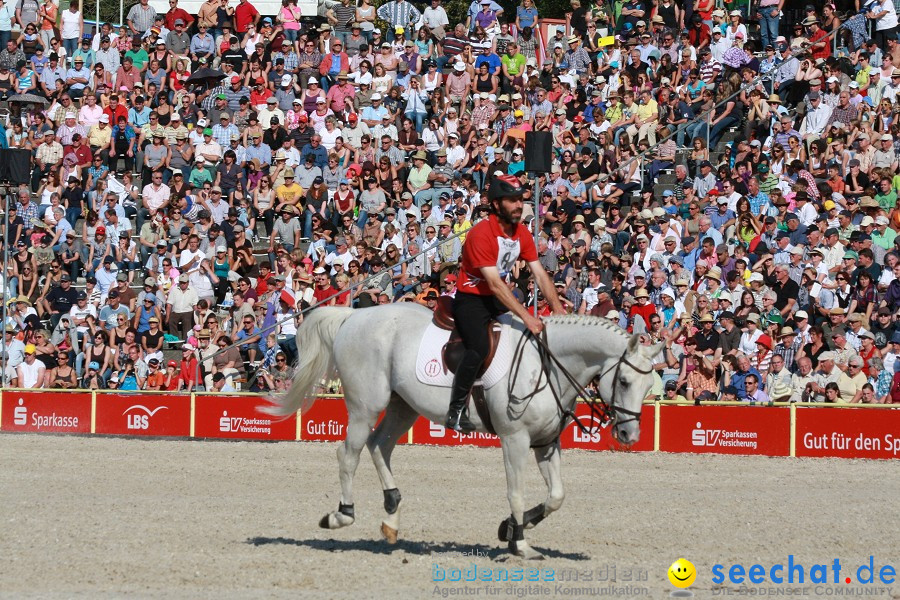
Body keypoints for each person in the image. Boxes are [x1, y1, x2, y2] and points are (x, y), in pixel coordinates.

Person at [445, 174, 564, 432]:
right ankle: (455, 410)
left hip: (496, 298)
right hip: (471, 300)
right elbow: (496, 284)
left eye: (520, 200)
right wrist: (527, 316)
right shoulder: (480, 234)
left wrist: (558, 309)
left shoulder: (522, 233)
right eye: (512, 200)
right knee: (478, 347)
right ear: (497, 205)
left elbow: (540, 273)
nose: (519, 205)